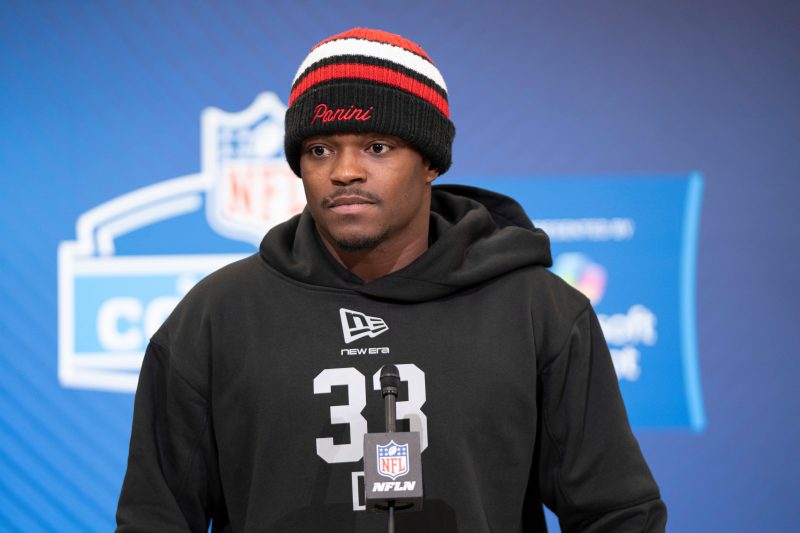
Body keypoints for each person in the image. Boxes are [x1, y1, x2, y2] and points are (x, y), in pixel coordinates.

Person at [116, 28, 666, 532]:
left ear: (430, 162)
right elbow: (155, 520)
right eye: (319, 149)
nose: (344, 171)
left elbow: (618, 514)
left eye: (377, 147)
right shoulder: (214, 317)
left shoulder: (537, 310)